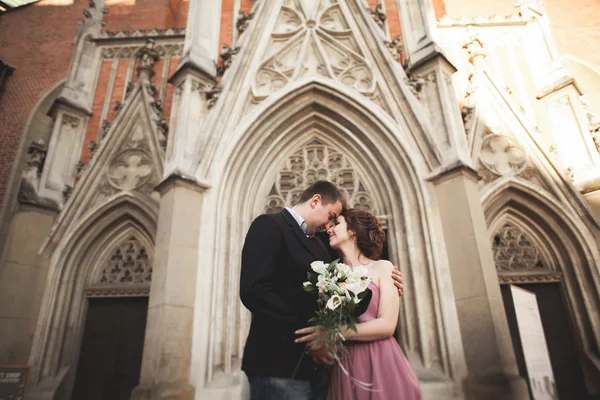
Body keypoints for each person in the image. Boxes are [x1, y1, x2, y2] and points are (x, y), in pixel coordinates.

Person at [240, 181, 404, 400]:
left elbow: (347, 283)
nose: (329, 226)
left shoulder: (319, 246)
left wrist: (386, 283)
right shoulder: (270, 225)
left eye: (335, 222)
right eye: (330, 216)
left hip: (320, 370)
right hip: (278, 365)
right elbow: (254, 291)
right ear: (316, 201)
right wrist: (313, 332)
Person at [295, 209, 421, 400]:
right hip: (345, 363)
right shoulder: (328, 276)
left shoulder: (383, 268)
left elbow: (387, 325)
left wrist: (336, 332)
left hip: (380, 359)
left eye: (336, 223)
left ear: (353, 230)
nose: (328, 229)